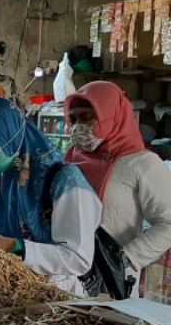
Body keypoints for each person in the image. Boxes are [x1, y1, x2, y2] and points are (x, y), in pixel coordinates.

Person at [0, 97, 102, 294]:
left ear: (9, 136)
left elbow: (78, 258)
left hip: (58, 297)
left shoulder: (64, 180)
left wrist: (18, 247)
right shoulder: (4, 178)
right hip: (12, 292)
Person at [65, 81, 171, 290]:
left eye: (87, 117)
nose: (78, 126)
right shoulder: (69, 160)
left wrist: (124, 258)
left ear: (111, 115)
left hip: (111, 277)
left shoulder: (142, 164)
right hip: (66, 272)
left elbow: (168, 223)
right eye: (74, 118)